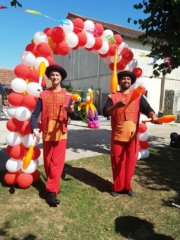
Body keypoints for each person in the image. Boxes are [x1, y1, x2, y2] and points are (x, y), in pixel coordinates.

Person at [102, 71, 158, 197]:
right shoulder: (113, 96)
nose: (125, 81)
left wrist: (153, 116)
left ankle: (127, 186)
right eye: (123, 79)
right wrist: (116, 106)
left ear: (131, 82)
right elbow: (105, 112)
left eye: (128, 79)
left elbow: (148, 109)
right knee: (117, 162)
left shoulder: (137, 95)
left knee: (131, 162)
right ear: (119, 82)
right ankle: (117, 187)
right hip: (118, 136)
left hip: (132, 137)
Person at [30, 64, 76, 206]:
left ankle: (51, 193)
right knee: (49, 162)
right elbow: (35, 114)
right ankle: (53, 187)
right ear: (49, 77)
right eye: (53, 75)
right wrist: (34, 128)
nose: (55, 77)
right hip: (47, 133)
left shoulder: (68, 96)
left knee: (56, 163)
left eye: (57, 75)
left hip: (61, 134)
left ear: (61, 78)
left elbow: (74, 116)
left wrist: (70, 111)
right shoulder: (43, 95)